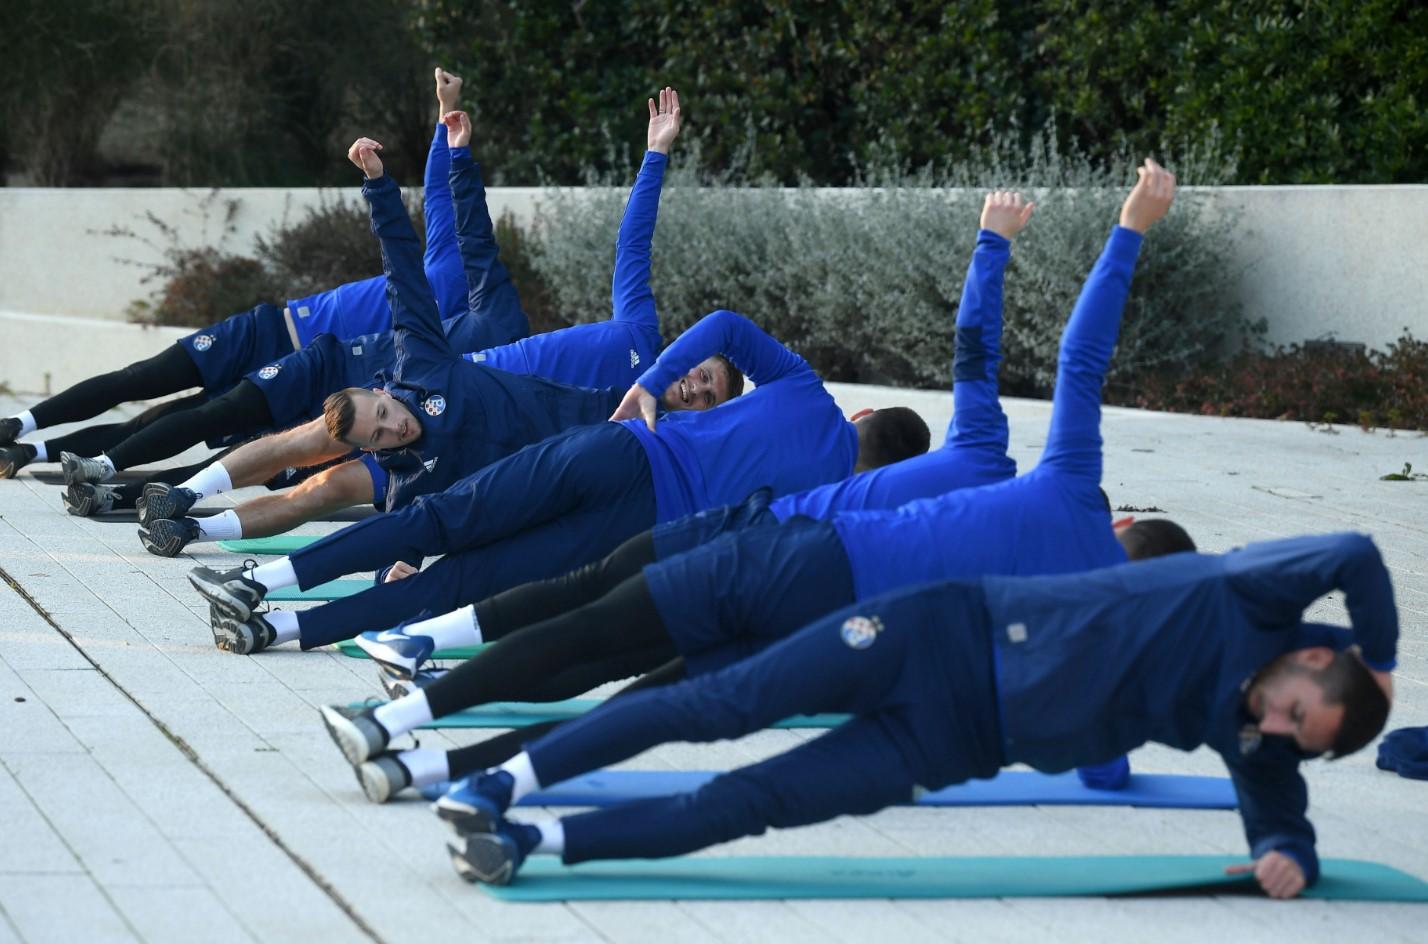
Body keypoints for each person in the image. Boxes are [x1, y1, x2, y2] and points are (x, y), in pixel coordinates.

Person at [322, 162, 1188, 799]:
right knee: (639, 697)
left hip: (778, 544)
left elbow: (1027, 356)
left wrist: (1029, 241)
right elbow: (1100, 756)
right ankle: (442, 767)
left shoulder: (997, 468)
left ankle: (406, 710)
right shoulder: (1081, 625)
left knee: (592, 613)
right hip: (825, 633)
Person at [430, 531, 1396, 898]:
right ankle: (500, 781)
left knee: (752, 802)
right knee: (711, 705)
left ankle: (535, 840)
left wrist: (1293, 855)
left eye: (1291, 741)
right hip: (931, 634)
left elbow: (1279, 811)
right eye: (1295, 714)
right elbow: (1354, 550)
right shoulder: (1250, 596)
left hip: (951, 739)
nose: (1274, 734)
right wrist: (1386, 659)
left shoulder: (1252, 734)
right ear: (1318, 658)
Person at [122, 90, 737, 554]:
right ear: (691, 351)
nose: (696, 386)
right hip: (436, 389)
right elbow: (608, 242)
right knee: (306, 436)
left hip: (477, 446)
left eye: (707, 397)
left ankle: (187, 520)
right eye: (703, 373)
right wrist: (655, 153)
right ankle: (181, 491)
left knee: (326, 487)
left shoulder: (647, 437)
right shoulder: (633, 333)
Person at [188, 303, 930, 654]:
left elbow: (727, 325)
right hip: (638, 527)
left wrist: (653, 385)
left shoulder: (803, 389)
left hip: (618, 452)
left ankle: (268, 581)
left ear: (861, 411)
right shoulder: (839, 503)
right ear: (883, 471)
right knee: (464, 579)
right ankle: (280, 628)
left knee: (440, 521)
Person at [0, 68, 502, 480]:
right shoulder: (447, 258)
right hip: (272, 328)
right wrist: (445, 115)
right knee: (142, 378)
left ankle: (35, 455)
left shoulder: (467, 332)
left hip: (305, 368)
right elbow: (440, 192)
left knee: (177, 419)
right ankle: (18, 424)